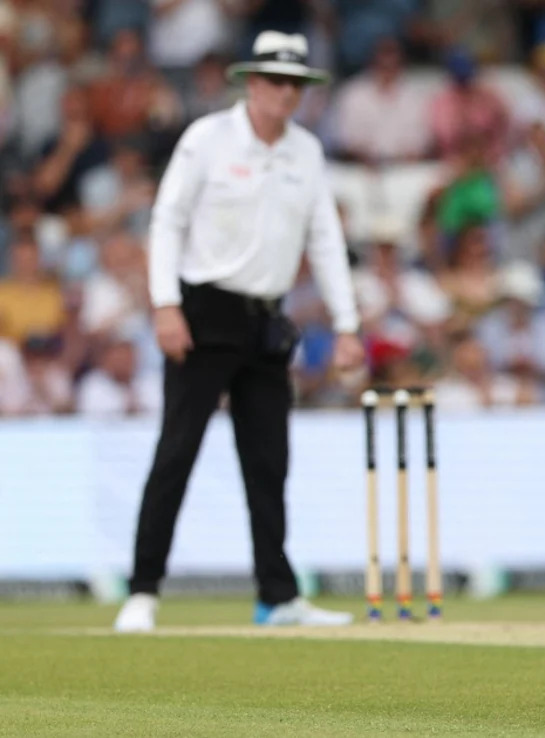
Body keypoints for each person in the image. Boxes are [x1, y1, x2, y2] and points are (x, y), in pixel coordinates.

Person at [113, 32, 365, 633]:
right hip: (203, 313)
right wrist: (165, 305)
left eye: (295, 85)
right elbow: (166, 221)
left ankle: (277, 596)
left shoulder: (305, 151)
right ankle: (143, 591)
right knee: (177, 451)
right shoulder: (207, 138)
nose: (286, 95)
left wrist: (348, 324)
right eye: (276, 82)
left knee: (269, 462)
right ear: (251, 84)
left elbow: (326, 240)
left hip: (266, 320)